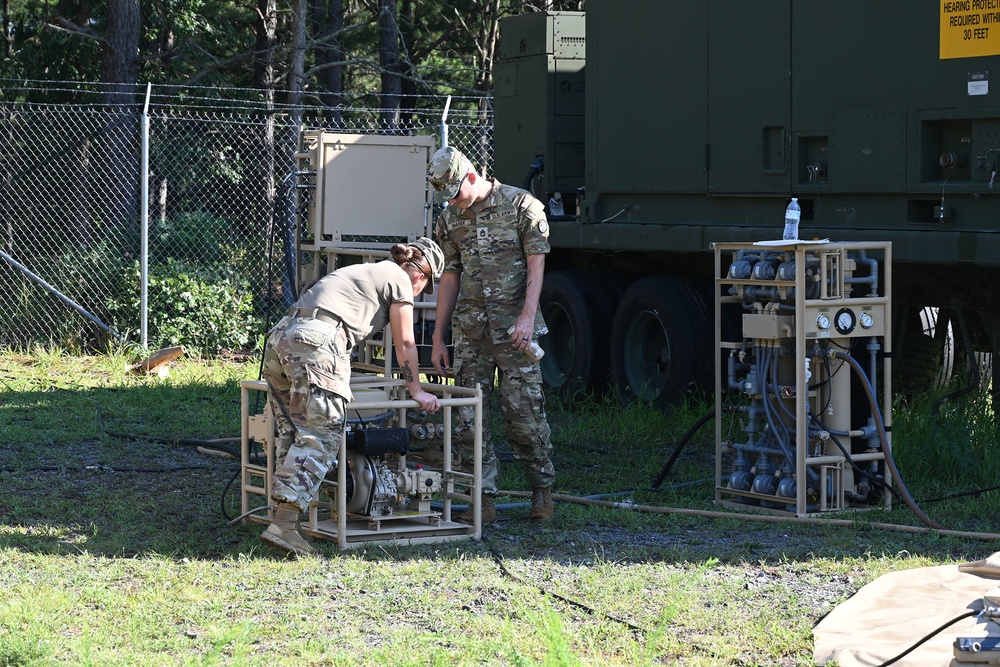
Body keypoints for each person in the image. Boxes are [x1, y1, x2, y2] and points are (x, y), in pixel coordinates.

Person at [260, 238, 444, 556]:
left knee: (293, 432)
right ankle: (285, 524)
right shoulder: (400, 278)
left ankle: (281, 520)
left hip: (282, 336)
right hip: (318, 341)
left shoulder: (369, 271)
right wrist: (416, 389)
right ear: (420, 274)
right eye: (424, 286)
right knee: (323, 432)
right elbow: (405, 343)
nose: (419, 293)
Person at [427, 146, 556, 525]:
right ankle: (482, 498)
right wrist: (438, 336)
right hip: (471, 331)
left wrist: (528, 317)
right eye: (447, 197)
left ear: (470, 177)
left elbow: (537, 262)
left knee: (524, 414)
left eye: (456, 193)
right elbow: (450, 275)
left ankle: (541, 491)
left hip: (515, 331)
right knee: (469, 417)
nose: (454, 203)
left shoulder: (521, 205)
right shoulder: (451, 216)